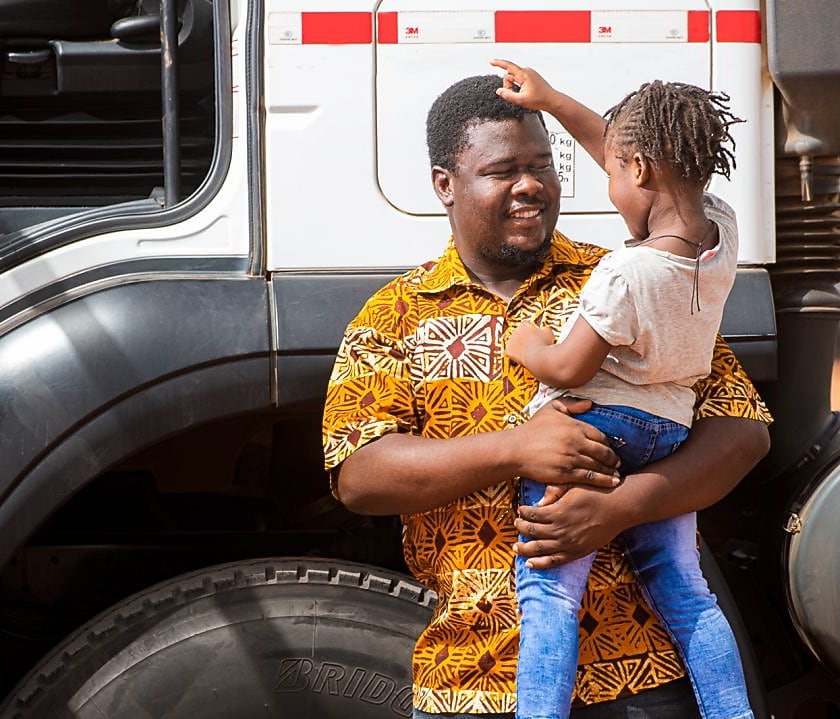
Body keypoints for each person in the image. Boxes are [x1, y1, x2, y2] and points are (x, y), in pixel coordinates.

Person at [321, 71, 771, 718]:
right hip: (473, 684)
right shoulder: (395, 314)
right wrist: (518, 449)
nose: (530, 184)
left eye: (541, 166)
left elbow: (741, 429)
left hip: (641, 682)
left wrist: (621, 508)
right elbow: (359, 474)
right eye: (503, 171)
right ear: (445, 184)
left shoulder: (624, 275)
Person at [492, 60, 752, 719]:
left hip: (596, 428)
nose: (610, 188)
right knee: (689, 595)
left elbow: (570, 368)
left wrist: (529, 347)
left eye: (613, 173)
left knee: (550, 594)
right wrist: (553, 100)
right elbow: (627, 154)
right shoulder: (721, 232)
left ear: (639, 169)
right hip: (669, 433)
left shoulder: (626, 273)